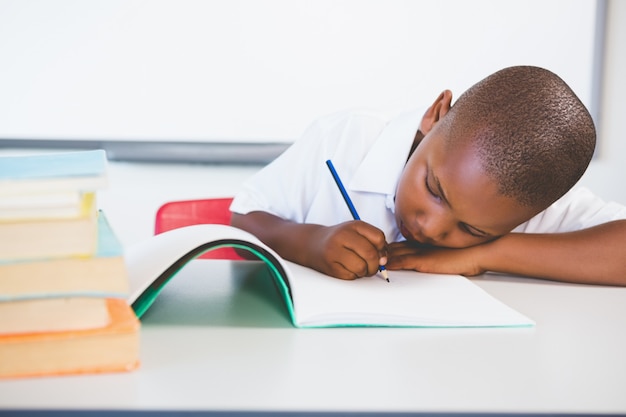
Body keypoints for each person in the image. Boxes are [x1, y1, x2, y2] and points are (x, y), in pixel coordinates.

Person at [230, 66, 626, 286]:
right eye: (434, 190)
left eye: (473, 230)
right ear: (436, 114)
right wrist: (308, 242)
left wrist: (485, 255)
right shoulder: (347, 138)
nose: (431, 229)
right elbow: (243, 217)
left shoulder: (520, 196)